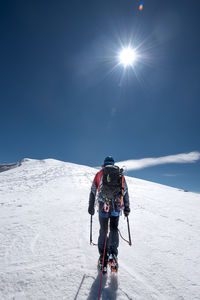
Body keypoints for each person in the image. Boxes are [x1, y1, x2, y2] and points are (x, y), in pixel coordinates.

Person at [88, 156, 130, 271]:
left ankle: (103, 256)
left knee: (103, 229)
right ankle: (113, 255)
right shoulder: (120, 175)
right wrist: (127, 208)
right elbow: (125, 192)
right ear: (113, 163)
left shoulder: (99, 174)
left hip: (103, 207)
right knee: (114, 229)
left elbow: (93, 191)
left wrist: (91, 206)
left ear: (104, 164)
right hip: (116, 207)